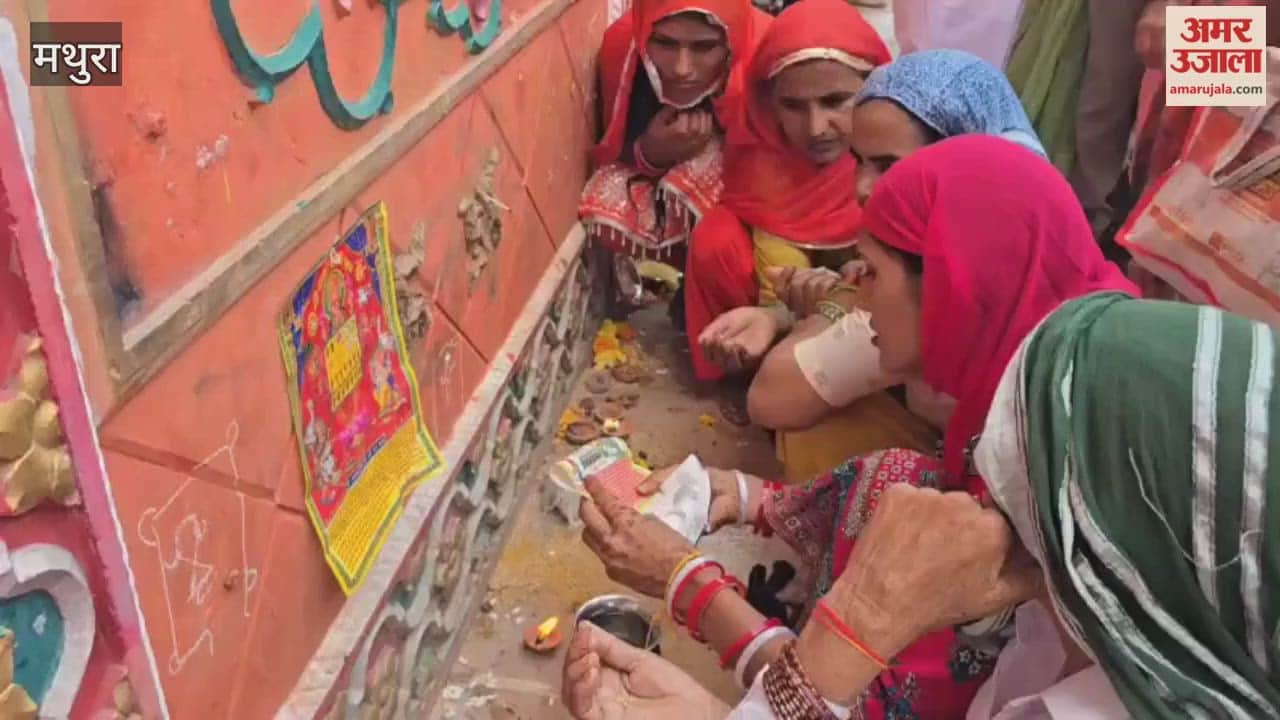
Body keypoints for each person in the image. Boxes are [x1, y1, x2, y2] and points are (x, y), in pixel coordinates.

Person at [564, 136, 1277, 718]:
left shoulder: (1053, 431)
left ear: (957, 274)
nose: (855, 292)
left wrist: (695, 588)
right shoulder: (1061, 395)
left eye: (870, 269)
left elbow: (776, 403)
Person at [709, 50, 1043, 479]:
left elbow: (772, 397)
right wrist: (786, 315)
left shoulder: (946, 271)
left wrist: (838, 304)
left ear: (964, 163)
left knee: (814, 429)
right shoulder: (1014, 213)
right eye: (859, 163)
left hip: (997, 496)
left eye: (888, 165)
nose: (864, 188)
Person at [681, 0, 891, 384]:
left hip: (876, 322)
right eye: (793, 106)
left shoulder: (899, 155)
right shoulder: (758, 152)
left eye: (835, 101)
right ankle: (741, 366)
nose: (815, 128)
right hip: (773, 304)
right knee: (716, 238)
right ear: (767, 103)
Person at [578, 0, 769, 308]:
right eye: (665, 43)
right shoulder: (624, 50)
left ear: (732, 41)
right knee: (605, 205)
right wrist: (652, 153)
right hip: (668, 179)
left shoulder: (765, 54)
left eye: (704, 47)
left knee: (719, 242)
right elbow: (618, 152)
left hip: (758, 207)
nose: (682, 69)